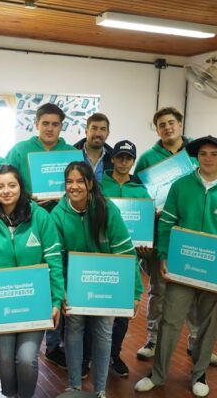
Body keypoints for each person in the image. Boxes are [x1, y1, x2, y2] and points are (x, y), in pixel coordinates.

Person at [134, 136, 217, 397]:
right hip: (181, 268)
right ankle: (158, 373)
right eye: (203, 154)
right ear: (196, 157)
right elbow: (166, 223)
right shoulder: (181, 186)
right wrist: (164, 255)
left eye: (214, 154)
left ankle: (199, 373)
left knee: (209, 325)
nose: (208, 158)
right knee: (170, 321)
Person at [133, 107, 217, 367]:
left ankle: (196, 342)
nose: (167, 127)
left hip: (193, 234)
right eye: (161, 124)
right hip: (160, 232)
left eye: (171, 122)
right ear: (157, 129)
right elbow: (138, 195)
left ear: (180, 124)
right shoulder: (147, 158)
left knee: (195, 290)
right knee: (158, 290)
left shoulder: (196, 152)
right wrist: (148, 217)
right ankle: (153, 339)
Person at [0, 164, 65, 398]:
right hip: (1, 304)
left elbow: (54, 261)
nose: (6, 191)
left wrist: (56, 300)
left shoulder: (40, 217)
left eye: (12, 185)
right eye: (0, 186)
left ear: (21, 187)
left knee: (26, 358)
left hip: (35, 303)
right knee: (4, 360)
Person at [52, 162, 142, 398]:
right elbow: (55, 259)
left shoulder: (107, 209)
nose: (74, 186)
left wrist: (135, 292)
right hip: (74, 285)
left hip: (105, 283)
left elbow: (125, 252)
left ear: (90, 183)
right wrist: (61, 291)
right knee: (73, 329)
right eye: (69, 182)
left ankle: (100, 390)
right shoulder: (58, 215)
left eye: (80, 181)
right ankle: (74, 386)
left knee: (103, 332)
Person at [6, 102, 76, 368]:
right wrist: (28, 198)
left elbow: (81, 186)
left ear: (61, 126)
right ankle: (17, 340)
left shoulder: (71, 153)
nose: (50, 128)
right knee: (29, 278)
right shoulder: (20, 150)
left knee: (59, 278)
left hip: (63, 223)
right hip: (28, 222)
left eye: (55, 124)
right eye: (45, 123)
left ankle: (54, 344)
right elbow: (5, 182)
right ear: (36, 124)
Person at [93, 140, 150, 379]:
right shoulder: (98, 186)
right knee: (95, 306)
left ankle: (114, 354)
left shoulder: (141, 191)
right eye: (120, 157)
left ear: (133, 161)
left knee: (122, 310)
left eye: (128, 158)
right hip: (99, 255)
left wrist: (145, 245)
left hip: (127, 258)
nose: (124, 162)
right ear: (113, 159)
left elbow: (146, 226)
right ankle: (91, 355)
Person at [73, 113, 113, 182]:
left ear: (107, 134)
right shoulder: (71, 154)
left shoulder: (114, 158)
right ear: (86, 131)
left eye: (102, 129)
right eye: (94, 128)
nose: (98, 134)